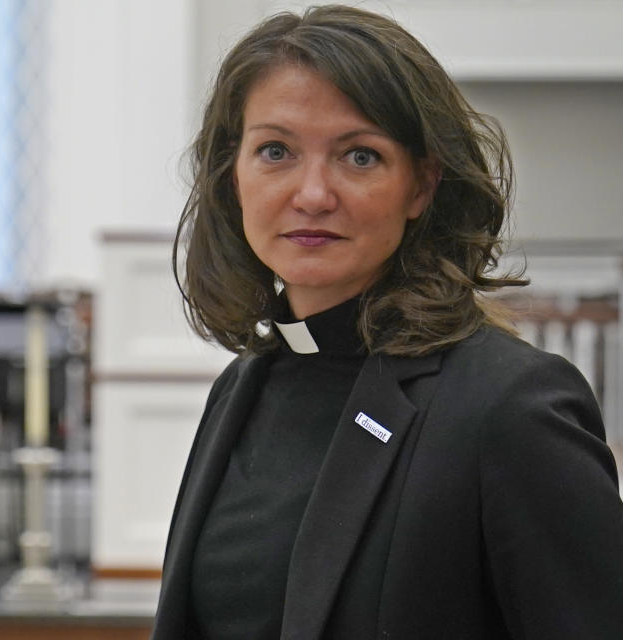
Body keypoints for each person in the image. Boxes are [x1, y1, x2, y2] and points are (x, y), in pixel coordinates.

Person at [152, 5, 623, 639]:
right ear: (232, 177)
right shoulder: (240, 389)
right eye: (275, 150)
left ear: (422, 185)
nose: (313, 193)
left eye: (360, 157)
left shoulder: (509, 406)